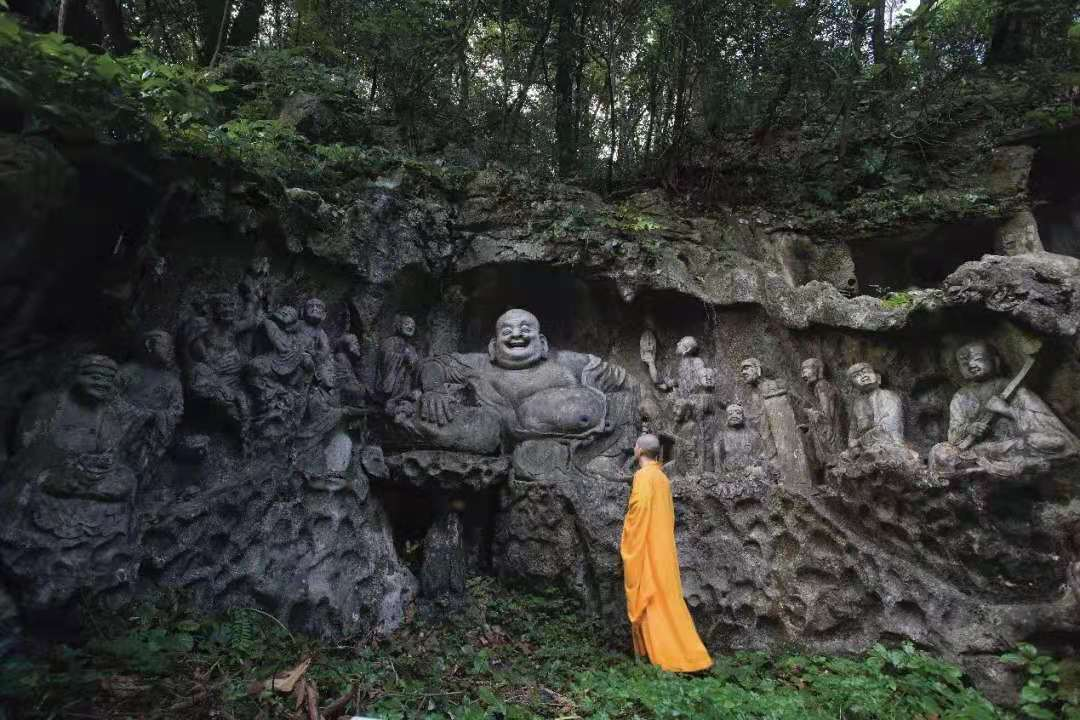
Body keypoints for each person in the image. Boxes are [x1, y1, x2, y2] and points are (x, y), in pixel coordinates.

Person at [620, 433, 712, 672]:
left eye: (635, 446)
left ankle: (669, 659)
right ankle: (692, 656)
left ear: (640, 450)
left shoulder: (643, 476)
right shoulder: (662, 478)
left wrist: (628, 533)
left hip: (648, 548)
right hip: (664, 548)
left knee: (652, 598)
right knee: (669, 599)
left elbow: (639, 511)